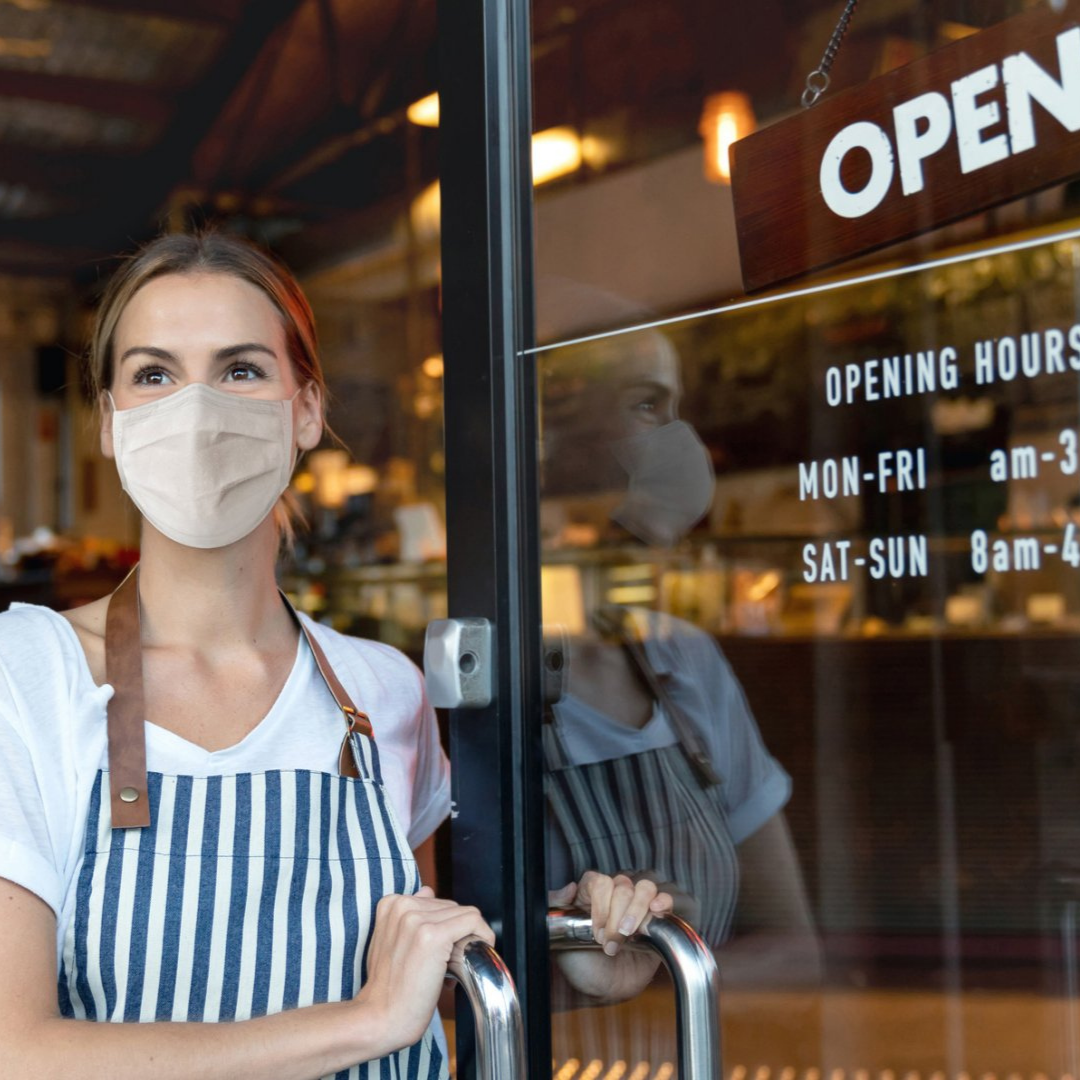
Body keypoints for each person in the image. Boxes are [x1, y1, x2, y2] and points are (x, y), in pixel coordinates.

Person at [0, 231, 673, 1079]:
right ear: (107, 421)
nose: (197, 410)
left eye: (241, 369)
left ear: (307, 410)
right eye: (154, 374)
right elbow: (16, 1051)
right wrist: (360, 1024)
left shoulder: (381, 690)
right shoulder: (26, 674)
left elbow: (417, 979)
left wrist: (574, 951)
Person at [539, 315, 821, 1067]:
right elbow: (444, 986)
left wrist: (668, 950)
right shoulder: (470, 688)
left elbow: (797, 950)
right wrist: (589, 970)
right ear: (558, 440)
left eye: (672, 408)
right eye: (645, 406)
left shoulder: (683, 659)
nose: (676, 441)